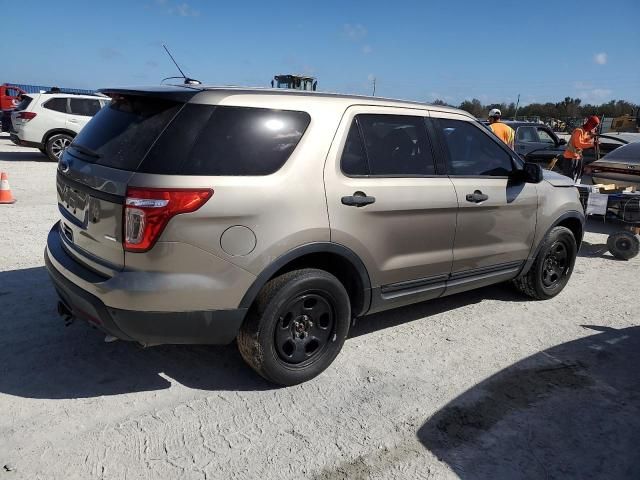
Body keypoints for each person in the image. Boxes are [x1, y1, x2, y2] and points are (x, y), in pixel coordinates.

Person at [562, 115, 599, 183]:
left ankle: (573, 187)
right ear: (590, 124)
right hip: (570, 157)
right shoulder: (579, 131)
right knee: (569, 178)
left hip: (576, 157)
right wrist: (592, 144)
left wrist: (591, 137)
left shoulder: (584, 131)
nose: (594, 128)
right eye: (594, 126)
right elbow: (578, 144)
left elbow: (584, 140)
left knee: (575, 176)